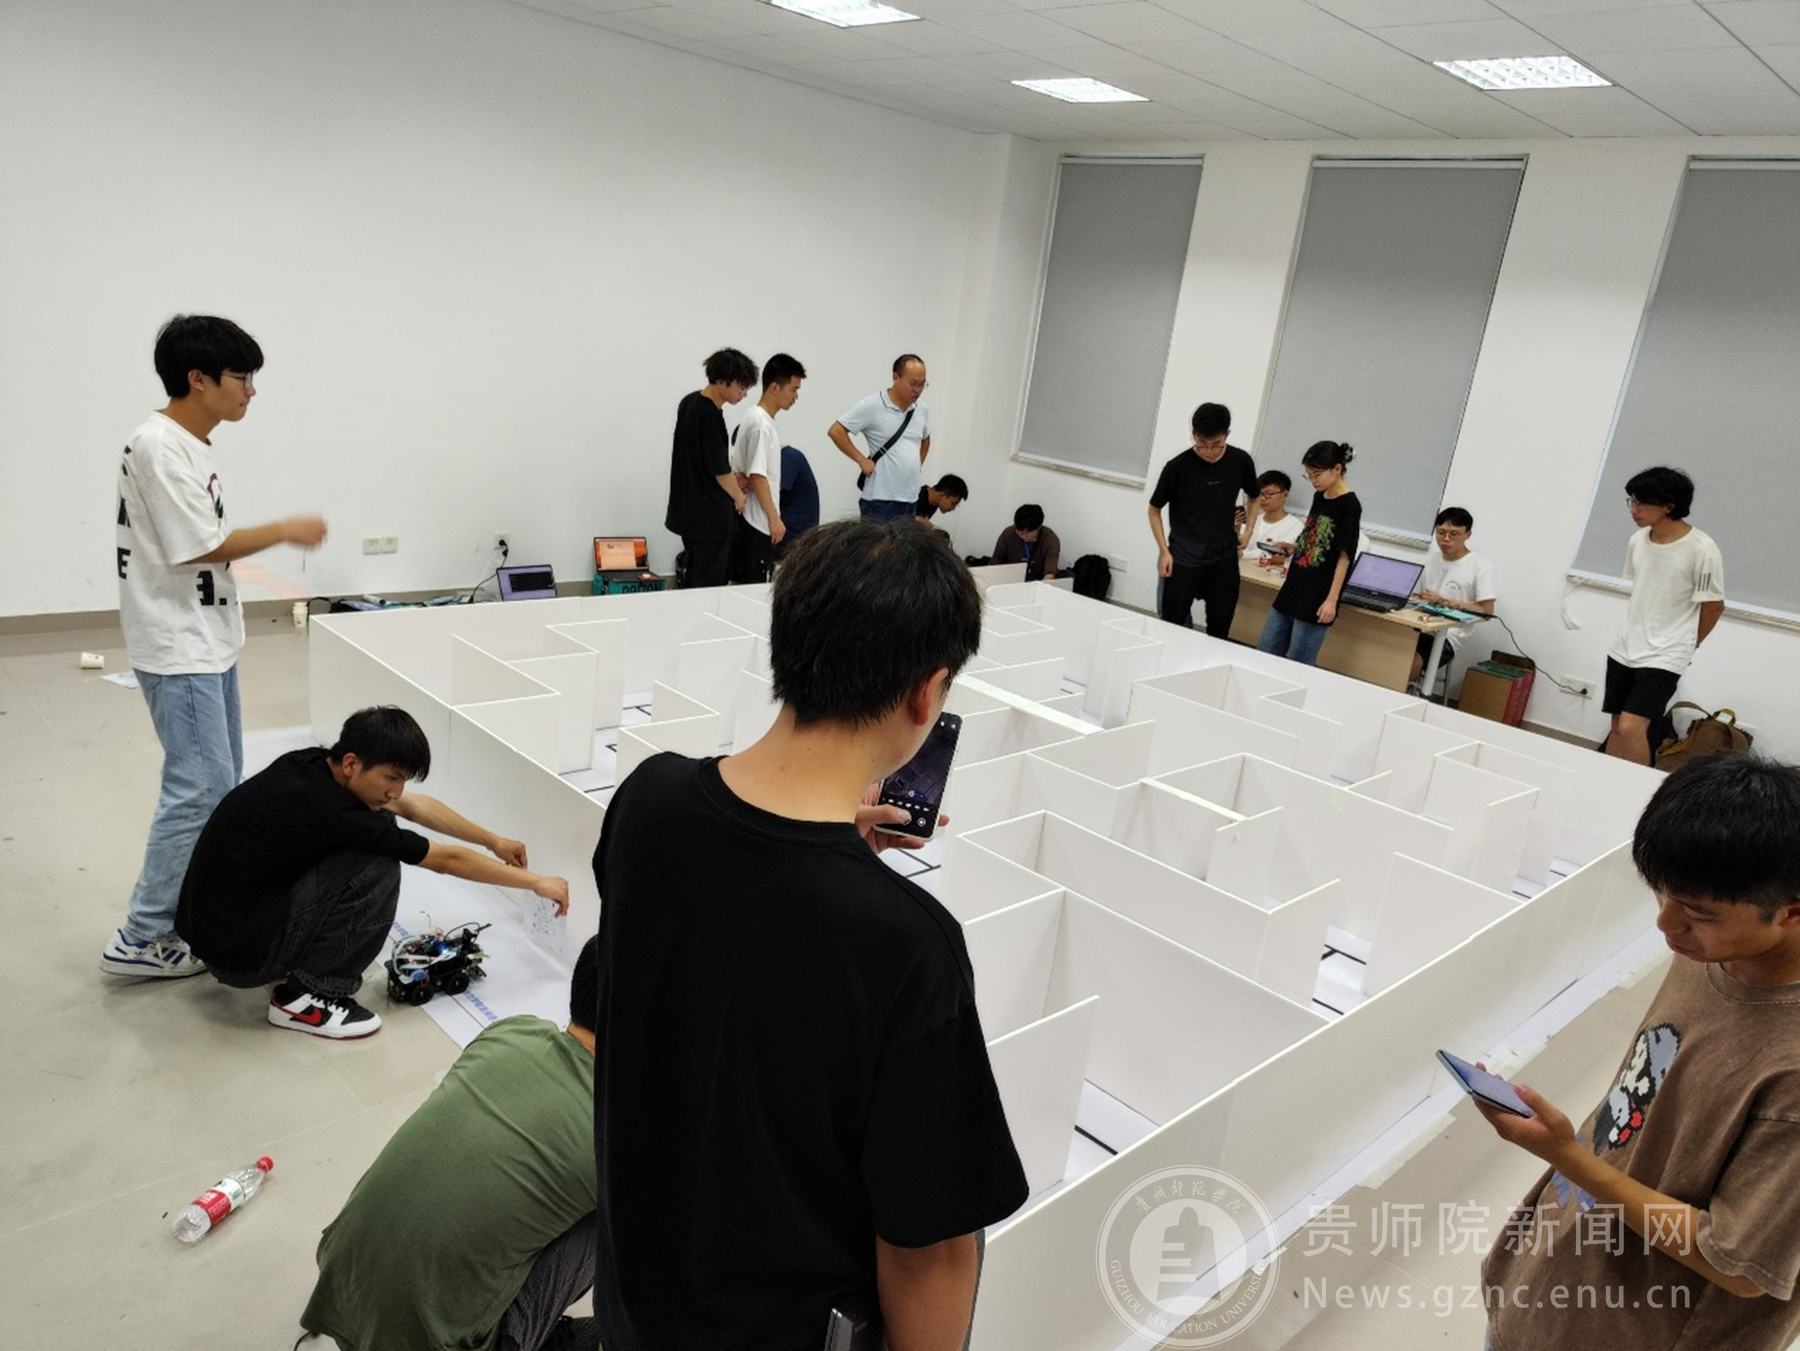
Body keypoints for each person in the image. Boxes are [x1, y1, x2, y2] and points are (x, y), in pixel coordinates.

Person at [591, 520, 1028, 1351]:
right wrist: (837, 867)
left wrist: (826, 850)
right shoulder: (908, 943)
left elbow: (722, 933)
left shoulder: (647, 801)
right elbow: (928, 1250)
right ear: (927, 693)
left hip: (635, 1307)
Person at [1476, 753, 1800, 1351]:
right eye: (1661, 894)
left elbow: (1738, 1266)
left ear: (1791, 912)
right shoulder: (1712, 952)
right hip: (1553, 1285)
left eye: (1698, 912)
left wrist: (1565, 1155)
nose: (1666, 925)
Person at [101, 315, 329, 981]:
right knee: (197, 789)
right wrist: (284, 528)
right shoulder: (159, 446)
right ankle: (142, 935)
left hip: (204, 636)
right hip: (180, 645)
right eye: (241, 377)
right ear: (197, 378)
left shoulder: (187, 443)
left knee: (216, 784)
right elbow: (197, 545)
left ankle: (182, 914)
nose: (250, 391)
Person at [176, 707, 570, 1039]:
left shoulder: (312, 764)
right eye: (391, 777)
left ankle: (288, 959)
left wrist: (493, 840)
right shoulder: (337, 814)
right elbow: (446, 860)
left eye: (402, 780)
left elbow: (413, 806)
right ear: (352, 763)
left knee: (376, 824)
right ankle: (308, 997)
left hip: (213, 931)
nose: (396, 791)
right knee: (376, 866)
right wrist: (537, 883)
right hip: (239, 959)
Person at [300, 937, 602, 1351]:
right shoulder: (612, 1131)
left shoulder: (512, 1031)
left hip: (342, 1288)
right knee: (618, 1216)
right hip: (435, 1343)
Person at [1601, 467, 1725, 767]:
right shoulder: (1637, 540)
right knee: (1617, 727)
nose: (1633, 510)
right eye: (1631, 501)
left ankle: (1636, 790)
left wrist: (1689, 645)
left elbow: (1713, 606)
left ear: (1669, 506)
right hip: (1624, 646)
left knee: (1632, 727)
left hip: (1666, 653)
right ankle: (1605, 784)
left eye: (1641, 503)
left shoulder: (1702, 549)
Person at [1147, 402, 1258, 637]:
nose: (1208, 451)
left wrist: (1248, 530)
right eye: (1201, 444)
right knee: (1171, 625)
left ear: (1226, 435)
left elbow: (1254, 496)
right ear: (1194, 435)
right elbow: (1154, 510)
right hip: (1183, 556)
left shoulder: (1240, 461)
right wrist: (1164, 551)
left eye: (1216, 445)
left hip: (1223, 557)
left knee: (1220, 628)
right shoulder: (1177, 467)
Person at [1257, 441, 1360, 666]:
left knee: (1298, 661)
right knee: (1267, 648)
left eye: (1317, 475)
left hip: (1318, 593)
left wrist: (1331, 601)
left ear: (1337, 469)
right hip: (1295, 583)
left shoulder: (1350, 505)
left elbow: (1344, 556)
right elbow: (1316, 537)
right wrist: (1294, 548)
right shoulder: (1320, 496)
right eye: (1309, 476)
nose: (1313, 481)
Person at [666, 348, 754, 589]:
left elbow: (699, 459)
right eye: (741, 388)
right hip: (710, 516)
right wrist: (738, 496)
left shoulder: (689, 402)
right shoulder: (709, 415)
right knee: (709, 582)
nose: (744, 394)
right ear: (722, 380)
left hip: (688, 511)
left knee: (693, 575)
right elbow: (719, 470)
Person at [729, 353, 806, 584]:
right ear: (774, 387)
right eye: (793, 389)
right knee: (753, 588)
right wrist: (774, 519)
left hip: (750, 521)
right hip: (756, 523)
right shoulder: (761, 425)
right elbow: (758, 476)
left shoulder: (755, 417)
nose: (796, 397)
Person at [830, 353, 931, 524]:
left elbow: (926, 438)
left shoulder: (921, 408)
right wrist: (861, 460)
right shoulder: (872, 405)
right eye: (913, 384)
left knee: (905, 542)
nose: (917, 390)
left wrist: (916, 464)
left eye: (922, 384)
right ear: (895, 378)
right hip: (880, 499)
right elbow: (836, 431)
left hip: (910, 498)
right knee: (877, 542)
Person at [1409, 506, 1497, 686]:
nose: (1446, 539)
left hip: (1448, 635)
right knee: (1385, 642)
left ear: (1467, 535)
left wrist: (1444, 602)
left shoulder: (1480, 566)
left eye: (1454, 534)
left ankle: (1405, 692)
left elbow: (1487, 612)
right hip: (1419, 625)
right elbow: (1415, 596)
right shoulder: (1430, 559)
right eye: (1441, 533)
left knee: (1409, 658)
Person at [1238, 470, 1303, 563]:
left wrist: (1244, 555)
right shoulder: (1253, 521)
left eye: (1268, 494)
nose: (1262, 499)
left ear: (1285, 495)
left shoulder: (1295, 525)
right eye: (1260, 494)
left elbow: (1280, 555)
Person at [993, 504, 1062, 582]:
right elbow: (994, 566)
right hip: (1010, 581)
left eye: (1027, 532)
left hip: (1037, 582)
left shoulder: (1050, 539)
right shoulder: (1008, 534)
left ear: (1038, 528)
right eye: (1020, 533)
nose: (1024, 536)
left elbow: (1050, 574)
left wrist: (1040, 587)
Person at [777, 444, 820, 555]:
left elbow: (768, 495)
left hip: (794, 533)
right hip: (796, 531)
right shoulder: (789, 456)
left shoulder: (787, 458)